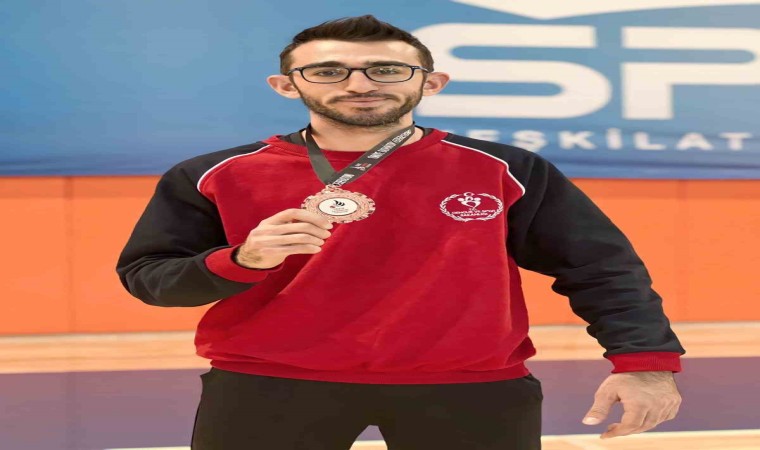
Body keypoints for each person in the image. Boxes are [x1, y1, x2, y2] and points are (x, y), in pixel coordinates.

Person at [116, 15, 684, 450]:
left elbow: (599, 266)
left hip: (469, 389)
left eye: (386, 70)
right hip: (268, 385)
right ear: (286, 86)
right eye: (328, 71)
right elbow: (148, 278)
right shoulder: (217, 174)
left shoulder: (504, 169)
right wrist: (240, 261)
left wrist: (646, 365)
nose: (359, 84)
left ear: (430, 82)